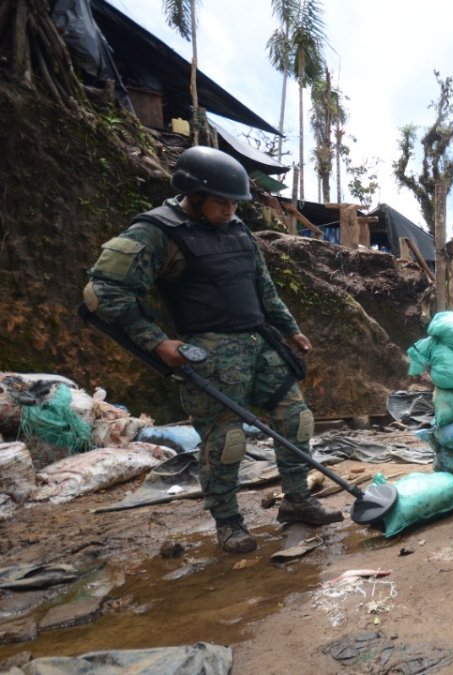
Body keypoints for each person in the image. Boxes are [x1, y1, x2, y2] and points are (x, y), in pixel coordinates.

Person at [83, 146, 343, 554]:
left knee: (297, 421)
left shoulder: (238, 229)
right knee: (226, 442)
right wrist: (158, 341)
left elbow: (263, 286)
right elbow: (103, 290)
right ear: (193, 193)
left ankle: (297, 501)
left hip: (261, 344)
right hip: (211, 355)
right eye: (221, 201)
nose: (229, 210)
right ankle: (229, 522)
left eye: (234, 203)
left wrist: (290, 330)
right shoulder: (158, 231)